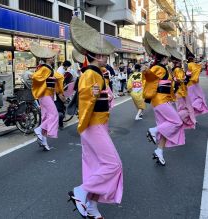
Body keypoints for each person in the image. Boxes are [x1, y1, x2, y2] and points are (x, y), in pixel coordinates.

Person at [68, 17, 123, 219]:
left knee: (95, 167)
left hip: (96, 125)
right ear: (97, 55)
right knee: (113, 165)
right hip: (93, 126)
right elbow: (87, 102)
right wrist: (83, 126)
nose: (106, 57)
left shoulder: (96, 73)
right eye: (104, 55)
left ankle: (91, 207)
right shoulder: (91, 74)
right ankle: (81, 191)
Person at [143, 31, 185, 166]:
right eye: (168, 57)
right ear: (165, 58)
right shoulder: (158, 68)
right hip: (160, 101)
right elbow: (148, 78)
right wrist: (146, 71)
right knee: (177, 122)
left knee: (165, 126)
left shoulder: (163, 68)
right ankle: (153, 131)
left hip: (162, 101)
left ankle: (159, 151)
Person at [31, 43, 64, 151]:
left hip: (47, 95)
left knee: (46, 117)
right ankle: (39, 130)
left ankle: (43, 141)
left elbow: (56, 77)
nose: (53, 58)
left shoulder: (48, 68)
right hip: (45, 95)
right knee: (54, 115)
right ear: (47, 58)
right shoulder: (46, 68)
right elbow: (36, 76)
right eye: (51, 56)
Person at [166, 46, 196, 129]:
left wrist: (185, 76)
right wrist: (186, 76)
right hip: (180, 90)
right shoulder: (177, 69)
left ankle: (184, 122)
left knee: (183, 108)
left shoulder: (175, 69)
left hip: (180, 91)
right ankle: (189, 121)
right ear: (178, 62)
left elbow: (179, 79)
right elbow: (180, 80)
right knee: (186, 107)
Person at [185, 46, 208, 117]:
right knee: (200, 97)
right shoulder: (193, 64)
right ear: (192, 58)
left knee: (191, 99)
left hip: (188, 84)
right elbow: (197, 70)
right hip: (194, 84)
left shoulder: (187, 65)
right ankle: (193, 109)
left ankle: (191, 113)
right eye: (194, 58)